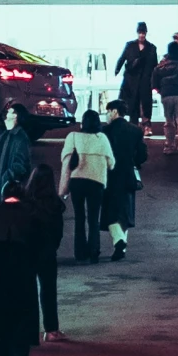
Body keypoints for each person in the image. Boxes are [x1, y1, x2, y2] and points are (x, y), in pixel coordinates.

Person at [0, 183, 40, 356]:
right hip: (23, 272)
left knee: (1, 312)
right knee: (23, 313)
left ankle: (4, 351)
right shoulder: (29, 214)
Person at [60, 108, 114, 261]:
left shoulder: (73, 137)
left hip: (77, 181)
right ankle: (94, 251)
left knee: (79, 217)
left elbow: (65, 160)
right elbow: (111, 163)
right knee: (93, 218)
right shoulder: (101, 138)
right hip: (96, 182)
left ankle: (80, 252)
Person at [25, 162, 66, 341]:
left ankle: (29, 329)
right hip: (48, 252)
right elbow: (59, 231)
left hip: (27, 251)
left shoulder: (26, 202)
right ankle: (51, 330)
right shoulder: (54, 204)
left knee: (28, 291)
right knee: (48, 290)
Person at [101, 99, 147, 261]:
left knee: (110, 213)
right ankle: (122, 244)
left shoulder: (104, 131)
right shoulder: (135, 131)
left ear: (114, 112)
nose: (106, 115)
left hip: (109, 175)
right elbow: (142, 155)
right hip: (128, 174)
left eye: (107, 112)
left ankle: (119, 241)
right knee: (125, 213)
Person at [0, 103, 34, 203]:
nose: (6, 115)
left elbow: (20, 165)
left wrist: (6, 178)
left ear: (16, 116)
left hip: (6, 188)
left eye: (10, 112)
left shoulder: (20, 138)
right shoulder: (4, 135)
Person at [113, 22, 159, 131]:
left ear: (146, 33)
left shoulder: (151, 48)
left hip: (144, 80)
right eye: (140, 32)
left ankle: (146, 126)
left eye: (143, 33)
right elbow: (122, 58)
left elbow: (154, 66)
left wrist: (155, 80)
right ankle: (134, 127)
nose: (141, 35)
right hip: (131, 81)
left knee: (144, 104)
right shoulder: (130, 45)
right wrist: (117, 69)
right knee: (132, 104)